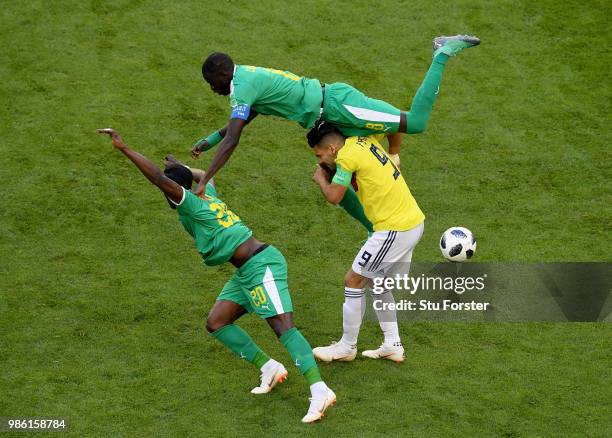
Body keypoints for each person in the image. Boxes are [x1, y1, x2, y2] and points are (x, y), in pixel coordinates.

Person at [97, 128, 335, 423]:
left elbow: (157, 179)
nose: (164, 192)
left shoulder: (192, 204)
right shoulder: (205, 193)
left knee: (283, 327)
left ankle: (320, 389)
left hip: (262, 266)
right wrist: (183, 169)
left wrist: (124, 148)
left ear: (175, 192)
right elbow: (203, 177)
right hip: (247, 271)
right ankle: (269, 367)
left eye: (169, 189)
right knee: (217, 322)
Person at [189, 35, 479, 229]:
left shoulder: (242, 87)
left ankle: (441, 52)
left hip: (340, 106)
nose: (211, 88)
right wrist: (210, 140)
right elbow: (244, 120)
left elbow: (234, 139)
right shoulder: (245, 80)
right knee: (333, 174)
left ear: (222, 76)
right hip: (329, 120)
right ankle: (374, 231)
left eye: (210, 82)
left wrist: (207, 179)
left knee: (415, 122)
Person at [307, 121, 425, 362]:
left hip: (395, 228)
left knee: (354, 279)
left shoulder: (346, 157)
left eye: (320, 155)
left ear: (331, 149)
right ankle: (393, 344)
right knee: (377, 282)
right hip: (411, 221)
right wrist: (393, 153)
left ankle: (346, 347)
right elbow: (396, 124)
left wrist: (321, 179)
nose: (321, 162)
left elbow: (334, 196)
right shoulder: (365, 138)